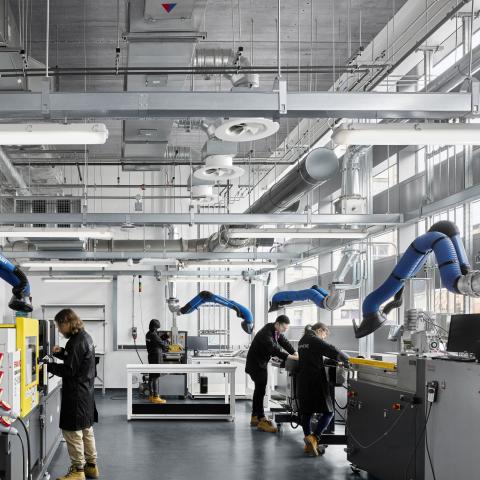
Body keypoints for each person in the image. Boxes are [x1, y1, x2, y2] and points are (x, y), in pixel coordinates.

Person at [47, 309, 99, 480]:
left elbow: (70, 369)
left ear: (67, 322)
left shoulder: (76, 342)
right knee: (86, 430)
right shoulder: (85, 338)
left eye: (60, 326)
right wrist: (61, 352)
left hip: (76, 394)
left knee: (72, 432)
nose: (60, 331)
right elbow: (75, 360)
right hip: (86, 393)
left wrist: (48, 365)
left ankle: (78, 471)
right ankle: (91, 467)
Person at [297, 322, 349, 456]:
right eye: (324, 334)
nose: (324, 338)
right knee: (329, 411)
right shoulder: (314, 339)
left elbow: (312, 356)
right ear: (320, 330)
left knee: (306, 412)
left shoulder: (303, 340)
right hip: (315, 380)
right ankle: (315, 438)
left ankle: (308, 440)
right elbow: (330, 349)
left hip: (303, 380)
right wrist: (347, 359)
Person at [245, 315, 298, 433]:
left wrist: (295, 352)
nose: (284, 330)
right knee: (260, 391)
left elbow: (283, 342)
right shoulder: (266, 334)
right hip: (256, 365)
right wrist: (292, 357)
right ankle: (261, 418)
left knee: (259, 390)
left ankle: (255, 417)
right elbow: (275, 350)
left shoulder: (274, 330)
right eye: (284, 328)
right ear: (278, 324)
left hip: (259, 364)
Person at [145, 318, 170, 404]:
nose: (157, 329)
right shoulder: (154, 335)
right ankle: (156, 397)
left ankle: (151, 396)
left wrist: (165, 336)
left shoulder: (148, 334)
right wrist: (170, 345)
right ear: (155, 327)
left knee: (151, 376)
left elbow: (157, 340)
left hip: (151, 356)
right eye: (157, 328)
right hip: (156, 357)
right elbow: (163, 345)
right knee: (156, 377)